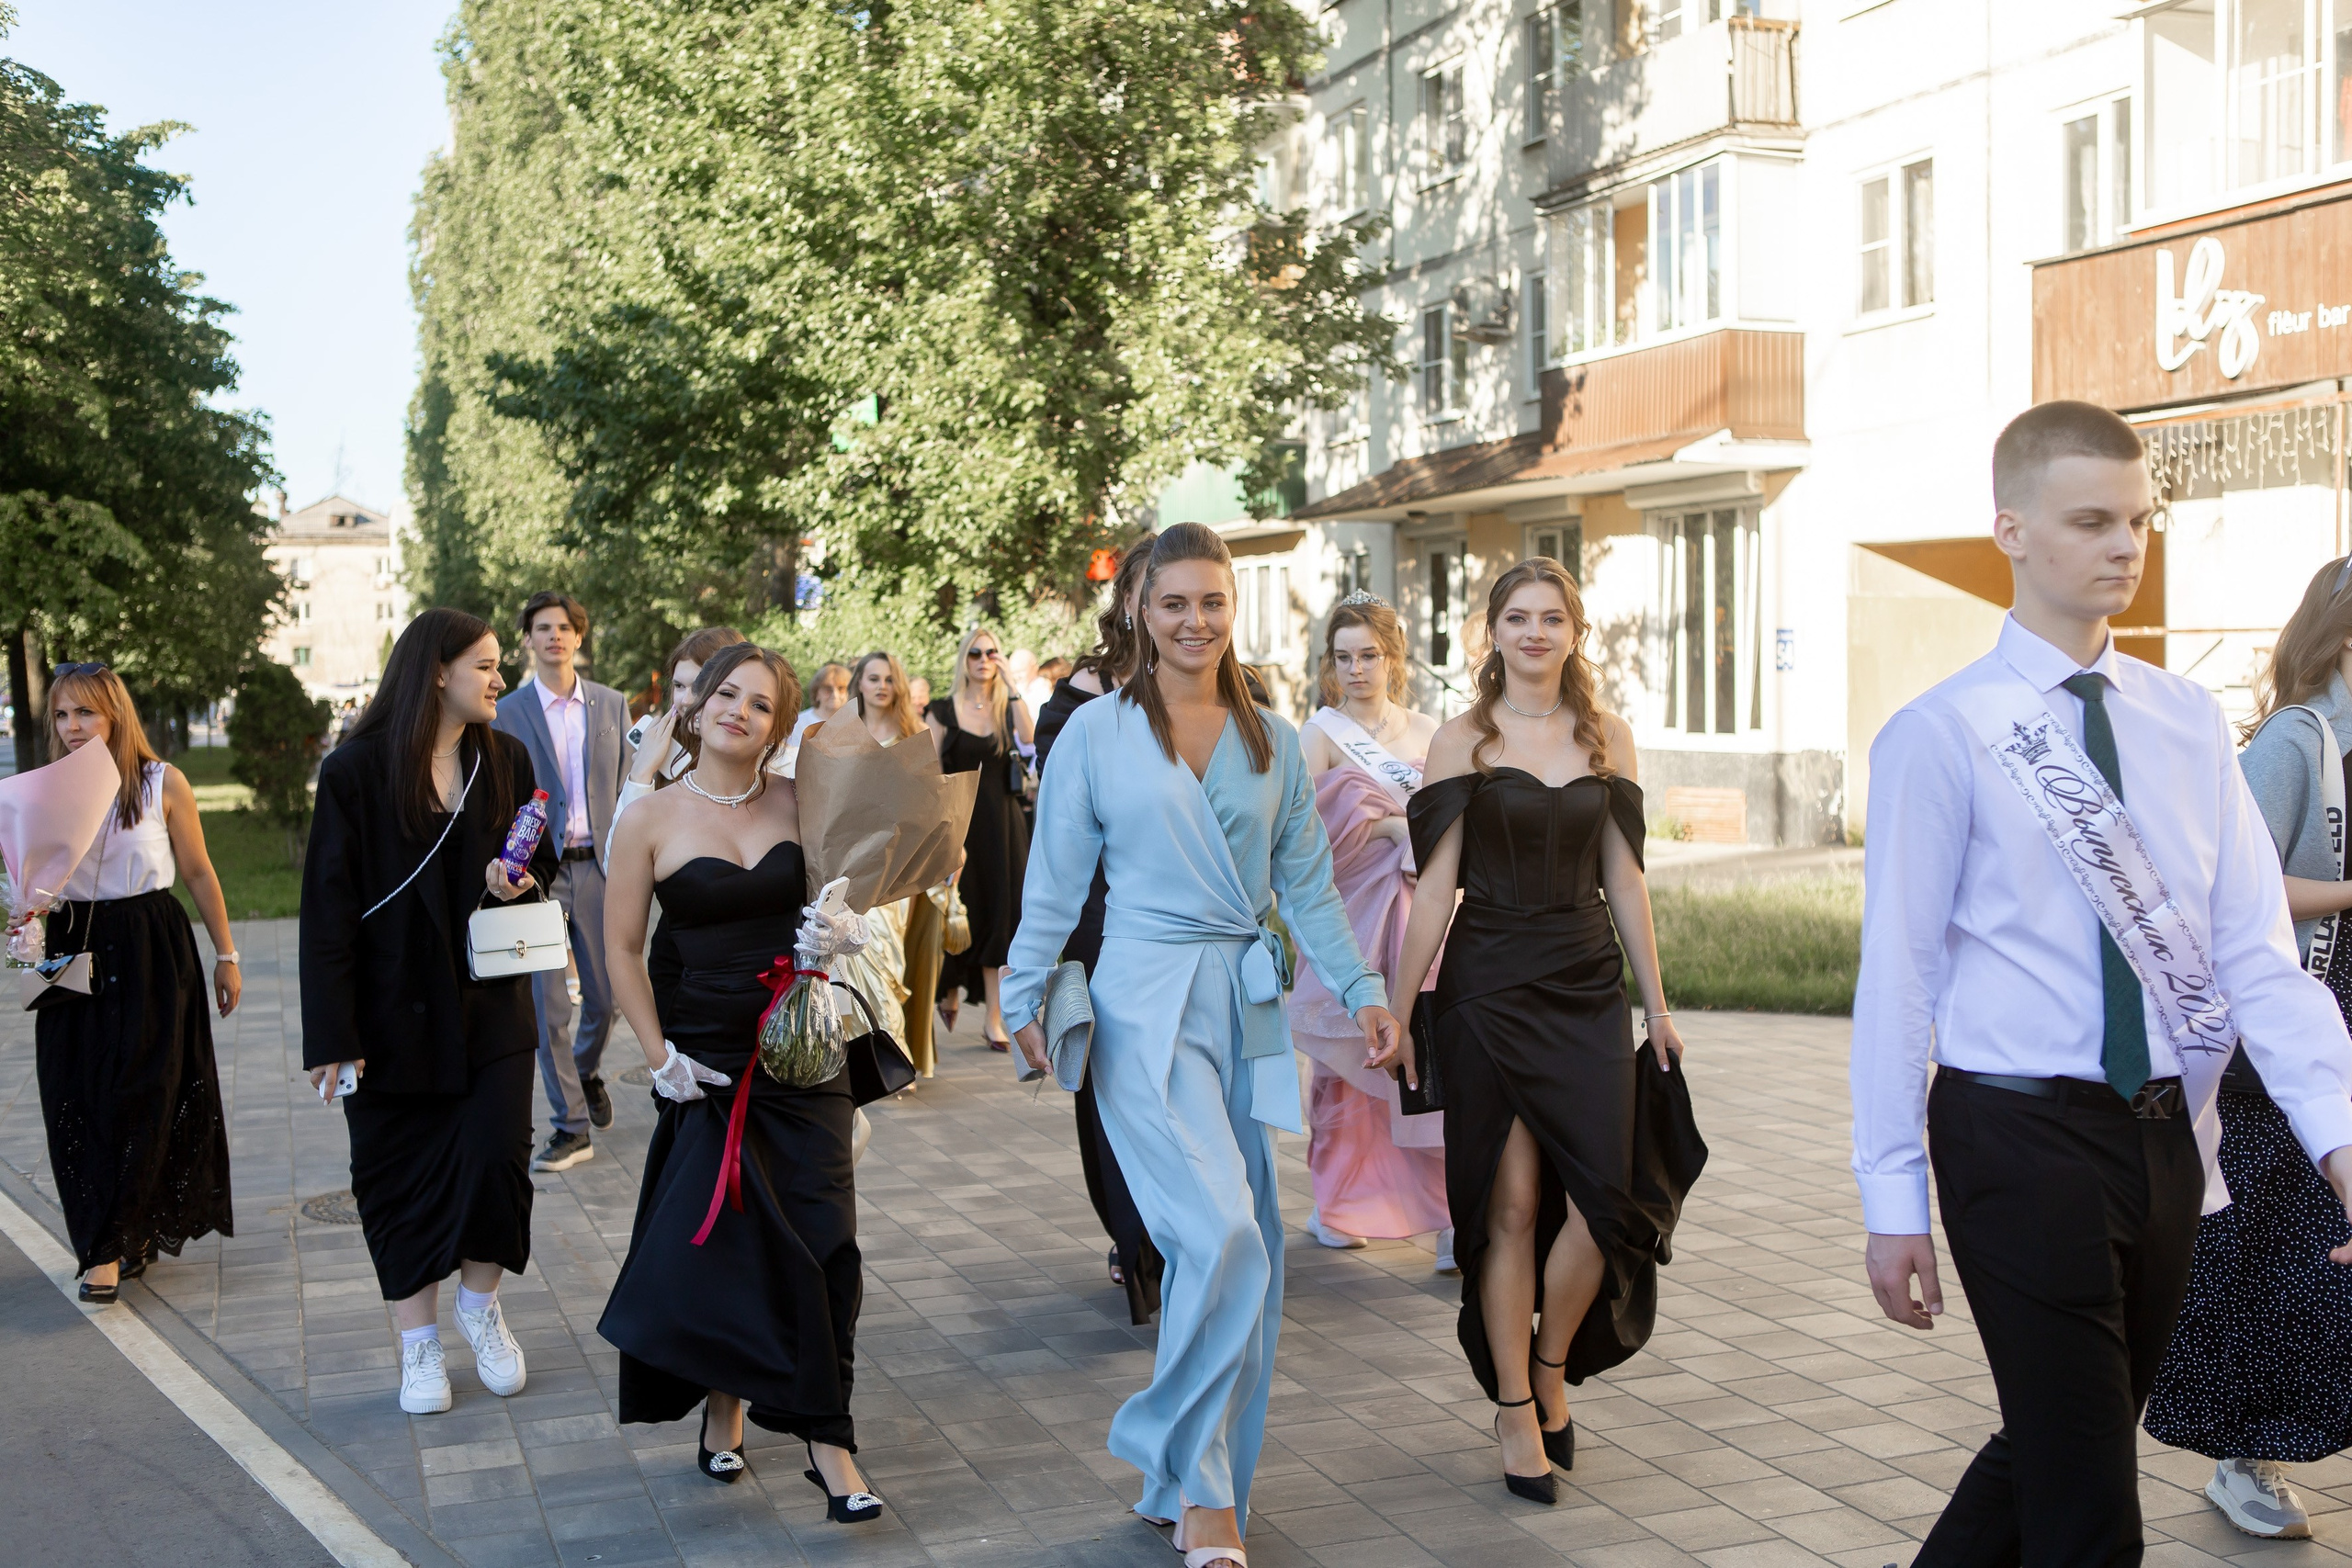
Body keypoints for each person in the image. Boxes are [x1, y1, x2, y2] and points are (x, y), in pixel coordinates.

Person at [1852, 401, 2352, 1568]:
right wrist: (1890, 1199)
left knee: (2057, 1444)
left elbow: (2254, 962)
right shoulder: (1944, 734)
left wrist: (2340, 1139)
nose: (2123, 546)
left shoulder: (2186, 723)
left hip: (2167, 1144)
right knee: (2089, 1512)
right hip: (2015, 1137)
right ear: (2011, 531)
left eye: (2137, 520)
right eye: (2090, 521)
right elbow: (1900, 979)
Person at [1008, 522, 1399, 1568]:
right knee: (1221, 1231)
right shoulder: (1092, 732)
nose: (1194, 621)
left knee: (1242, 1256)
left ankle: (1177, 1478)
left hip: (1243, 1007)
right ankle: (1200, 1488)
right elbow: (1052, 880)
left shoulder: (1269, 737)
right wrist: (1020, 995)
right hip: (1140, 1004)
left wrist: (1362, 986)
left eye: (1212, 603)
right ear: (1138, 607)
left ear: (1235, 611)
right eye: (1173, 602)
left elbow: (1308, 886)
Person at [1386, 558, 1700, 1506]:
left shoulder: (1609, 738)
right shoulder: (1458, 742)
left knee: (1606, 1207)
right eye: (1516, 618)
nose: (1534, 632)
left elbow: (1626, 880)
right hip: (1486, 990)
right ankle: (1516, 1408)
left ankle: (1552, 1360)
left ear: (1574, 632)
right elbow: (1435, 888)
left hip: (1585, 988)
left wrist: (1658, 1001)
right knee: (1511, 1207)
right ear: (1491, 632)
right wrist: (1399, 1013)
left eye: (1551, 618)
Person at [596, 642, 883, 1521]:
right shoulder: (649, 816)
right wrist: (658, 1057)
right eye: (728, 693)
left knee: (826, 1238)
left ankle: (826, 1441)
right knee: (730, 1244)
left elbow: (852, 897)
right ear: (696, 704)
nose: (740, 712)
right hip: (708, 1057)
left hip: (803, 1048)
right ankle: (727, 1405)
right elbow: (620, 949)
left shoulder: (807, 801)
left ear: (778, 724)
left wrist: (840, 934)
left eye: (762, 705)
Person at [2142, 556, 2352, 1539]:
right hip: (2299, 1014)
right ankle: (2243, 1452)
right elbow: (2240, 894)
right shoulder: (2295, 742)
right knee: (2278, 1252)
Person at [301, 608, 557, 1416]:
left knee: (498, 1162)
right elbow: (327, 912)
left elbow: (537, 854)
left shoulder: (505, 759)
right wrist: (332, 1035)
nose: (498, 679)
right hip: (388, 1017)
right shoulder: (355, 772)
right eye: (483, 665)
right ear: (435, 671)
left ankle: (480, 1307)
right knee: (396, 1177)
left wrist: (522, 879)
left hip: (491, 1005)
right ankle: (418, 1346)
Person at [30, 663, 239, 1304]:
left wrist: (226, 953)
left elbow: (200, 871)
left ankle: (108, 1247)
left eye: (84, 713)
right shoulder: (41, 792)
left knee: (147, 1090)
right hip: (70, 946)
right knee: (75, 1092)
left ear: (114, 714)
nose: (71, 727)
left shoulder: (161, 783)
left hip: (151, 945)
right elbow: (31, 883)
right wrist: (23, 913)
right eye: (62, 715)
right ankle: (114, 1230)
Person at [1292, 592, 1450, 1261]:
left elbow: (1454, 825)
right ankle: (1344, 1200)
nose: (1356, 669)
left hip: (1427, 918)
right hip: (1349, 915)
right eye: (1344, 657)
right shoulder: (1319, 734)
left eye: (1369, 655)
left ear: (1393, 657)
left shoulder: (1432, 732)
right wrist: (1386, 826)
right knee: (1351, 1063)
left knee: (1433, 1054)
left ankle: (1448, 1216)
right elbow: (1301, 838)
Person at [1033, 536, 1165, 1319]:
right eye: (1155, 591)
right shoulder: (1074, 700)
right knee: (1112, 1088)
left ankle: (1179, 1236)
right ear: (1126, 601)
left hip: (1190, 926)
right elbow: (1064, 834)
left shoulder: (1229, 691)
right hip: (1099, 921)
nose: (1171, 609)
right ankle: (1135, 1238)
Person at [492, 591, 632, 1174]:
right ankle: (571, 1126)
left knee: (607, 997)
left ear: (580, 636)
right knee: (547, 1005)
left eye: (565, 627)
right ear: (527, 639)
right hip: (535, 877)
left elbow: (631, 785)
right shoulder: (505, 713)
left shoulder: (611, 705)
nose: (554, 636)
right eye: (542, 627)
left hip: (599, 869)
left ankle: (587, 1069)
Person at [927, 626, 1034, 1051]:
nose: (983, 660)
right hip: (960, 824)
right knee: (957, 915)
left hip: (1004, 828)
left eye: (991, 652)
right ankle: (948, 989)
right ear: (963, 659)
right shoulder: (942, 710)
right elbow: (930, 772)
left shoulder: (1006, 707)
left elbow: (1029, 738)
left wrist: (1012, 685)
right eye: (975, 653)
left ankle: (994, 1018)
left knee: (1002, 918)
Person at [853, 649, 941, 1076]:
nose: (882, 686)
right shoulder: (844, 733)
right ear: (861, 684)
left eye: (889, 679)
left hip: (899, 863)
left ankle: (896, 1058)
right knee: (859, 952)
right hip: (853, 862)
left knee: (890, 955)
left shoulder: (914, 733)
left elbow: (931, 803)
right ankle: (880, 1058)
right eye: (874, 678)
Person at [789, 662, 854, 752]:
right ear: (817, 693)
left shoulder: (857, 722)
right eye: (828, 689)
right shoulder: (798, 723)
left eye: (841, 689)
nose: (835, 695)